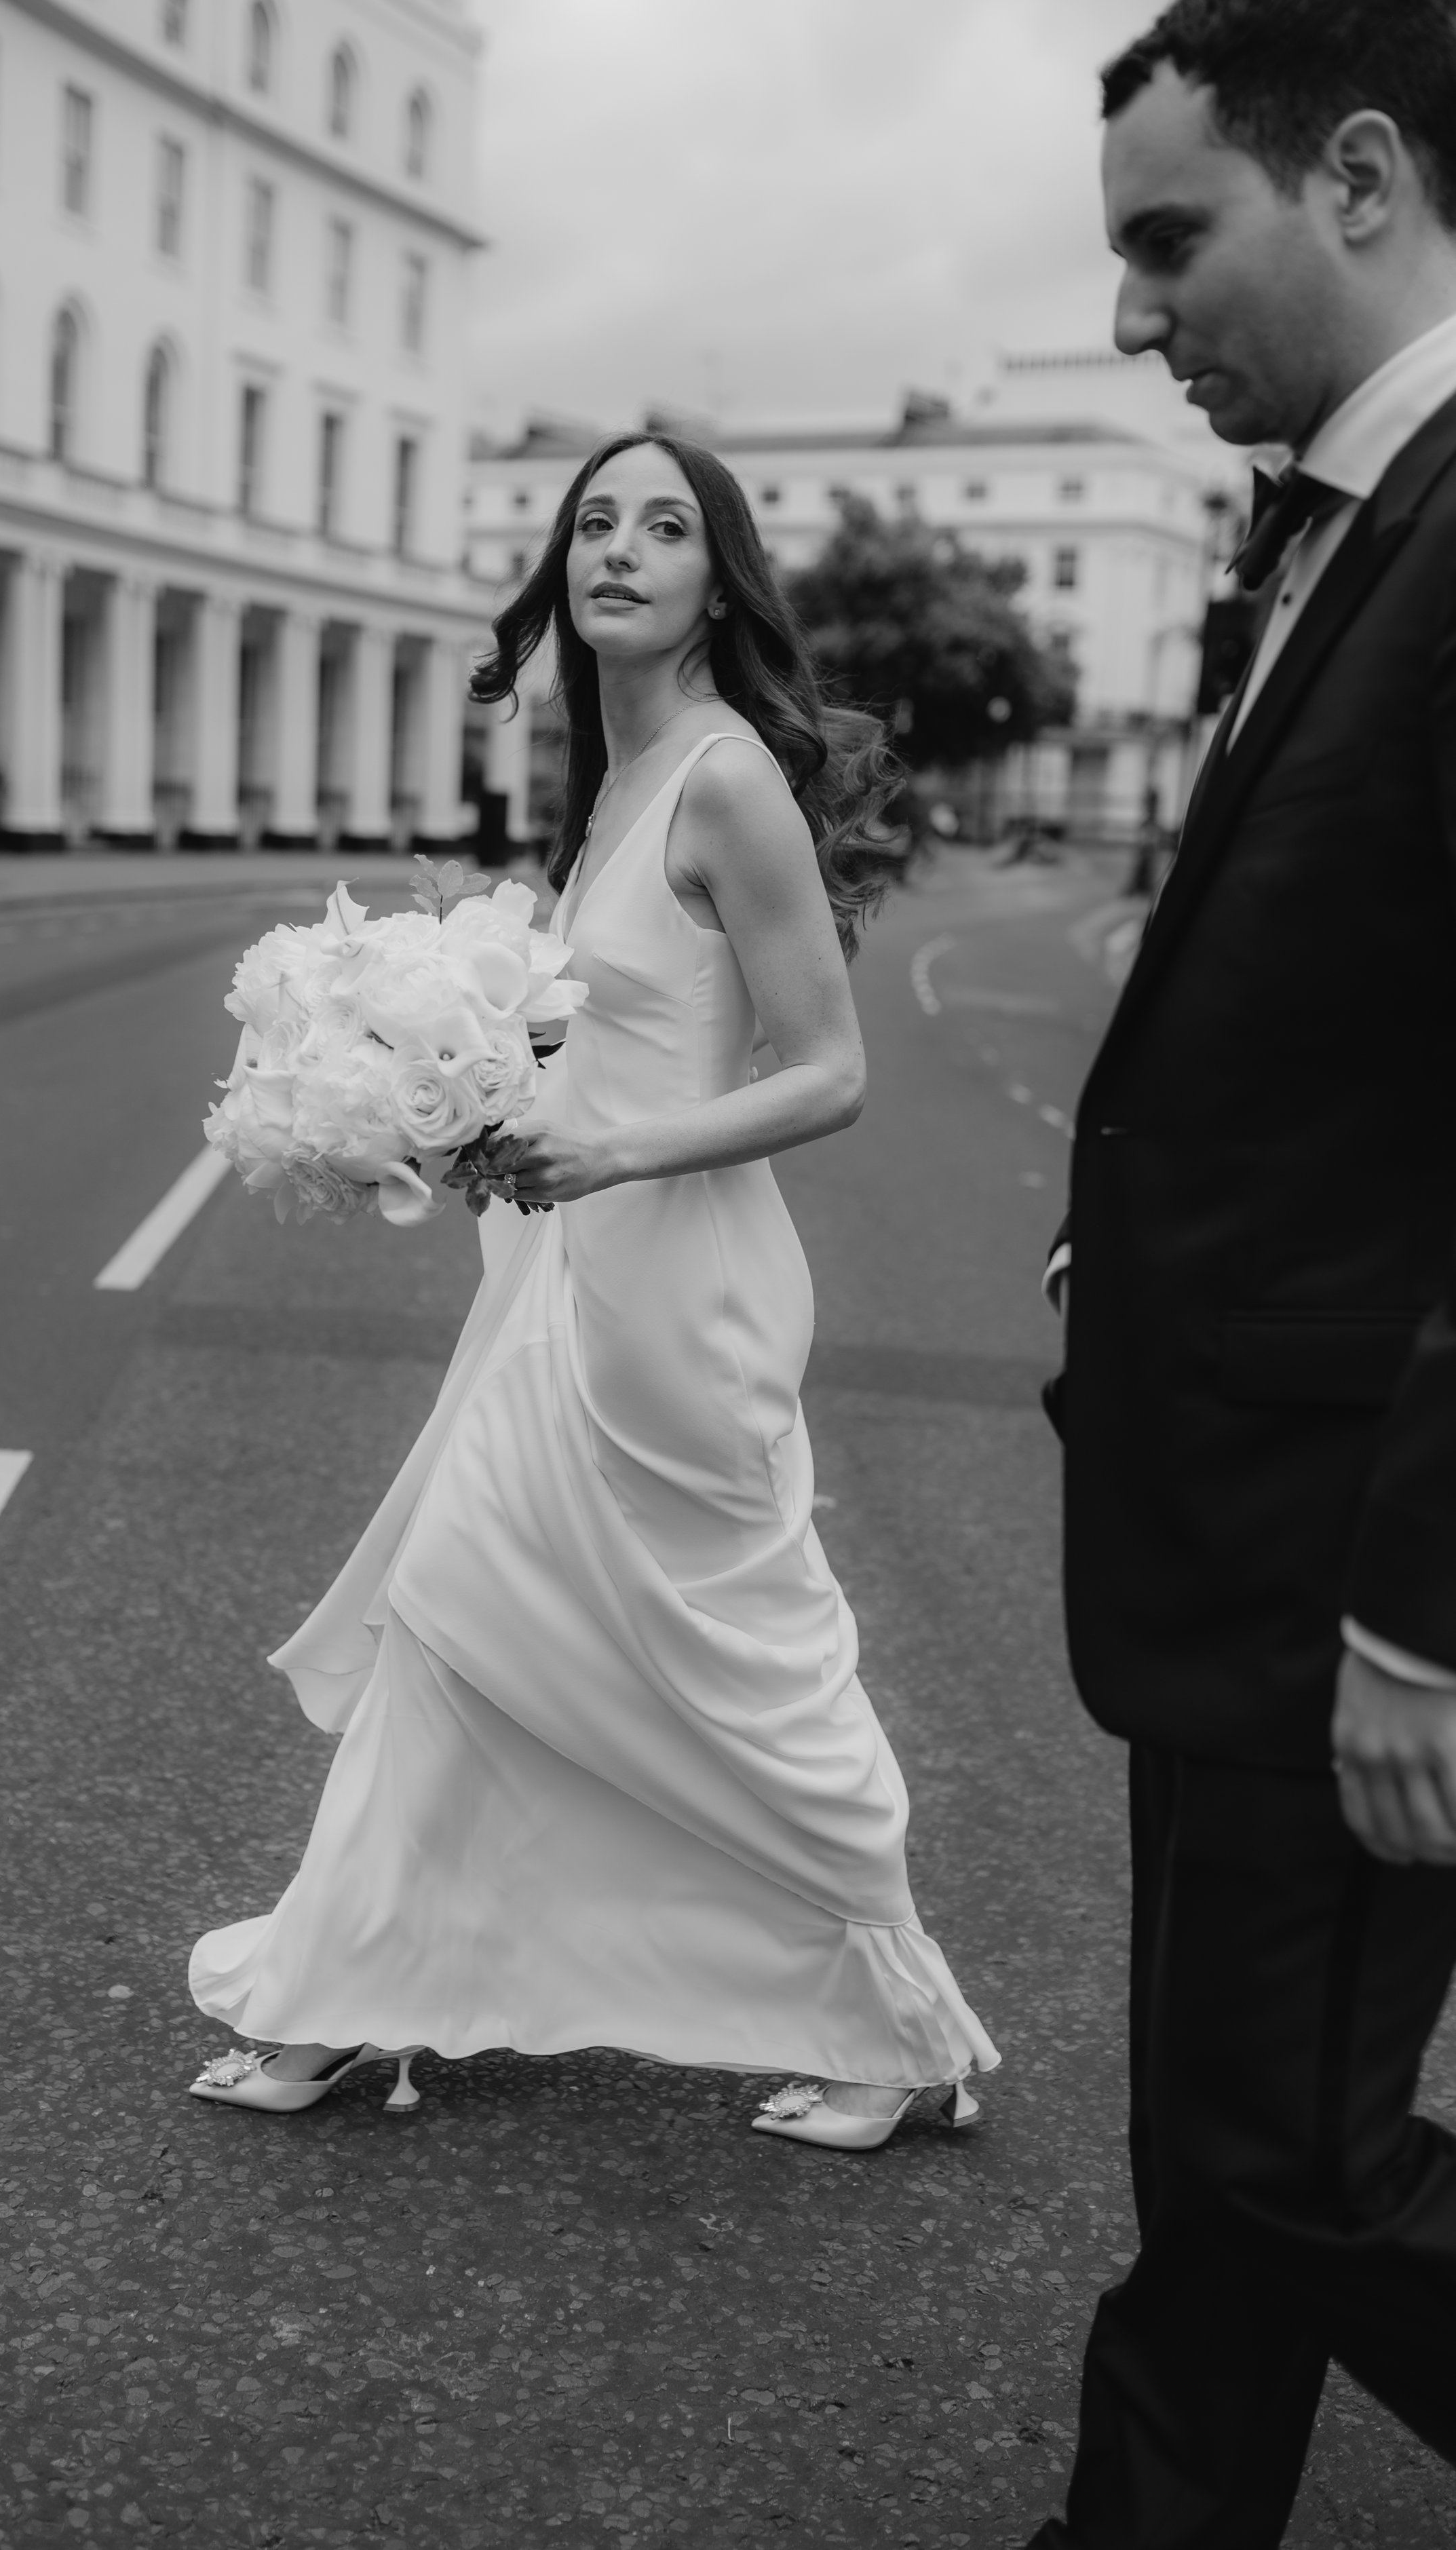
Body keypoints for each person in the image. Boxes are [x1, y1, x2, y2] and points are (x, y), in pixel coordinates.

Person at [187, 431, 998, 2150]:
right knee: (456, 1625)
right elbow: (611, 1049)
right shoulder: (616, 789)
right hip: (564, 1286)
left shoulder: (718, 780)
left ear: (722, 578)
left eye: (667, 526)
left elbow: (829, 1069)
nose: (618, 549)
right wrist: (464, 1116)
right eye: (594, 523)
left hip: (680, 1302)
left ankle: (899, 2027)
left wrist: (616, 1156)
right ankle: (353, 1989)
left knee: (748, 1670)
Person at [1027, 5, 1456, 2542]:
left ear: (1370, 177)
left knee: (1285, 2152)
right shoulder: (1325, 529)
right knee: (1222, 2131)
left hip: (1355, 1568)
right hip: (1229, 1532)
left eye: (1170, 241)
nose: (1128, 313)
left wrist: (1423, 1604)